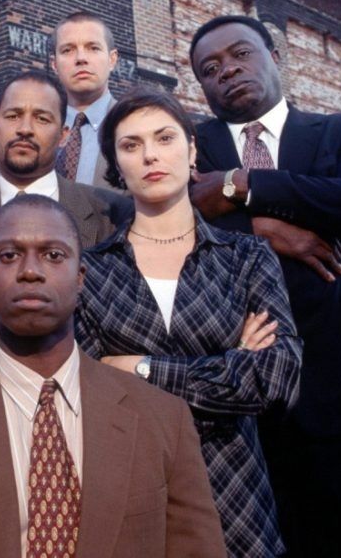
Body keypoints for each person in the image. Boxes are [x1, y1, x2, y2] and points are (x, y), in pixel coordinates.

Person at [0, 194, 226, 557]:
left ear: (81, 277)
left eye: (54, 255)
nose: (30, 270)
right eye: (9, 255)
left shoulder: (164, 419)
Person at [188, 15, 341, 557]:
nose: (227, 71)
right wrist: (263, 226)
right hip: (234, 396)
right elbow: (157, 220)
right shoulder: (190, 145)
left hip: (340, 384)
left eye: (239, 54)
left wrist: (246, 185)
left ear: (274, 56)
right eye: (210, 69)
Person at [74, 87, 302, 557]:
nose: (150, 155)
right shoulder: (90, 270)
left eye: (164, 138)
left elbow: (277, 375)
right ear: (117, 164)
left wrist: (143, 369)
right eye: (131, 145)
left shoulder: (244, 256)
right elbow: (93, 393)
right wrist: (231, 363)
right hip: (136, 494)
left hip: (236, 496)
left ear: (192, 148)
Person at [0, 69, 130, 262]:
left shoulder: (109, 214)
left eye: (42, 119)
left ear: (63, 136)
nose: (25, 129)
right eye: (13, 116)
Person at [51, 10, 122, 191]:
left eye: (93, 48)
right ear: (54, 65)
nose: (81, 58)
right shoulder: (43, 130)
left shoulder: (134, 124)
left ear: (112, 59)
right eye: (68, 50)